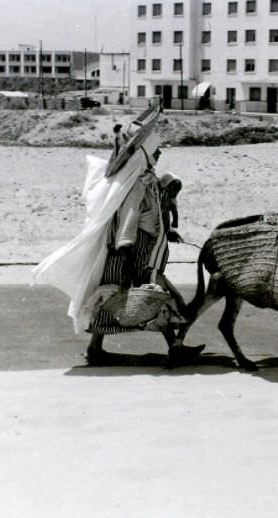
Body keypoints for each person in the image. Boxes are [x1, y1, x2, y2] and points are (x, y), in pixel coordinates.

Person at [85, 125, 203, 365]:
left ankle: (95, 347)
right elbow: (129, 216)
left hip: (138, 249)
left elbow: (149, 215)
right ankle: (174, 347)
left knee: (125, 297)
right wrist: (126, 248)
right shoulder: (139, 184)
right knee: (153, 296)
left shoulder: (146, 181)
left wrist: (166, 231)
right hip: (134, 251)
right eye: (156, 151)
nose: (159, 154)